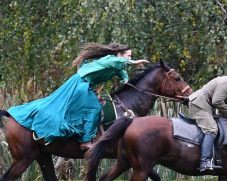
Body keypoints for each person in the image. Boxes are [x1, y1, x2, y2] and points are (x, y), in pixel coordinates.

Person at [8, 42, 149, 149]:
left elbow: (121, 71)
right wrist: (134, 62)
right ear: (120, 55)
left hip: (84, 85)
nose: (130, 58)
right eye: (128, 56)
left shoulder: (118, 64)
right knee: (94, 108)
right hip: (81, 84)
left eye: (131, 57)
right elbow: (116, 63)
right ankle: (85, 141)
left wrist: (125, 80)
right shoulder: (110, 59)